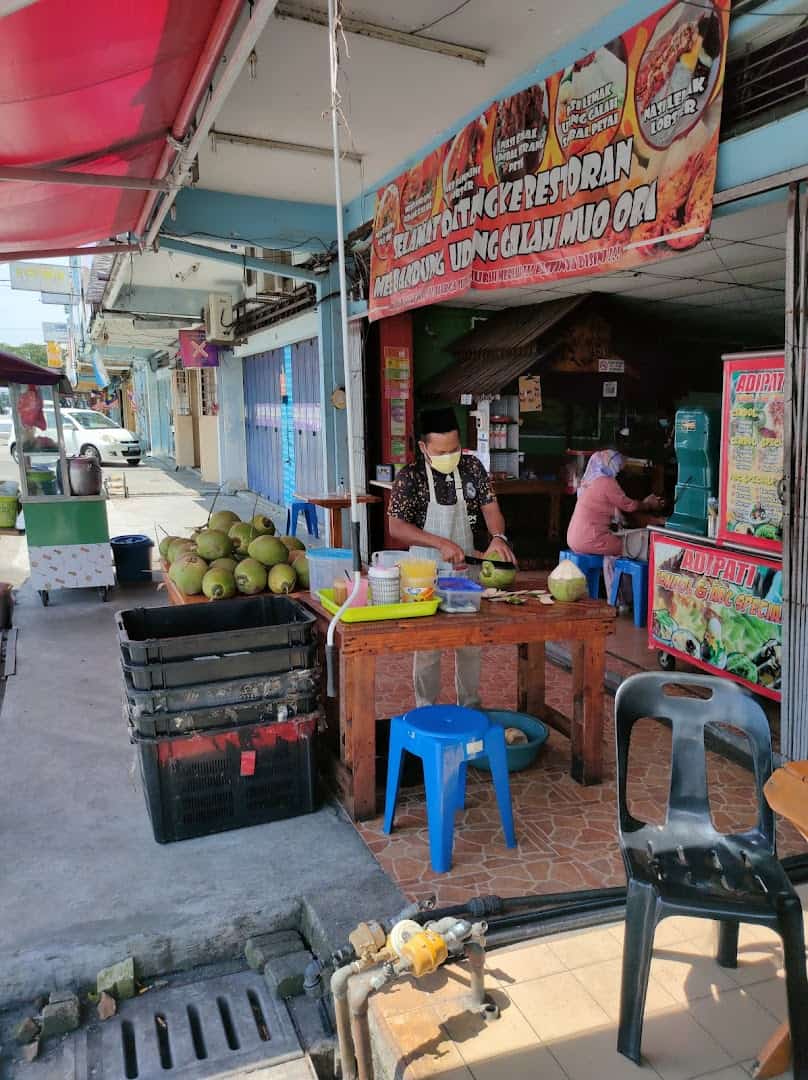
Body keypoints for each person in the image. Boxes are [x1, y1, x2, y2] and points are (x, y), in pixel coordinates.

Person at [388, 407, 516, 709]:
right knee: (428, 645)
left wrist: (498, 537)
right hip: (423, 576)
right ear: (423, 447)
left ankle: (470, 706)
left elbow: (492, 510)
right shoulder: (410, 477)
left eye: (454, 449)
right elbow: (396, 526)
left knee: (470, 642)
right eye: (441, 451)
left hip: (464, 576)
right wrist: (437, 542)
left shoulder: (472, 468)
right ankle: (425, 708)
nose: (450, 455)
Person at [566, 449, 663, 597]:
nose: (620, 468)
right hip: (590, 539)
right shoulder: (606, 482)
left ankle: (616, 597)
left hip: (574, 539)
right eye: (618, 464)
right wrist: (648, 504)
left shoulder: (589, 482)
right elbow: (629, 506)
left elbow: (617, 512)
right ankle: (621, 598)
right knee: (633, 547)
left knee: (612, 552)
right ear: (610, 464)